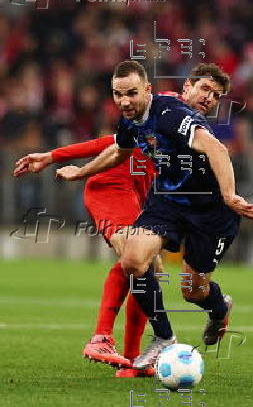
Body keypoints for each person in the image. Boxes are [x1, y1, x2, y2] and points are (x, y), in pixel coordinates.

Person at [56, 60, 253, 369]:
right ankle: (164, 338)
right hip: (167, 202)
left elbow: (216, 149)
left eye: (215, 94)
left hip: (210, 212)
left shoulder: (174, 116)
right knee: (133, 259)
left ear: (147, 90)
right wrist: (81, 172)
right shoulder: (132, 116)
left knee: (193, 291)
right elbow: (119, 150)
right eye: (118, 94)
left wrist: (230, 196)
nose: (124, 101)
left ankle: (218, 308)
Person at [13, 134, 157, 378]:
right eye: (205, 92)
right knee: (134, 257)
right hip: (110, 187)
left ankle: (132, 362)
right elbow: (108, 144)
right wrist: (52, 157)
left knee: (148, 267)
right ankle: (102, 337)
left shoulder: (195, 136)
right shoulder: (165, 113)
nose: (208, 98)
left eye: (214, 95)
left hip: (132, 196)